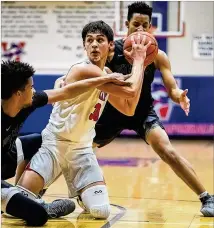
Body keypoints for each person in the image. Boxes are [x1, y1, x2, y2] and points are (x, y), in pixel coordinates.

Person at [16, 20, 151, 219]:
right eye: (89, 40)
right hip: (54, 145)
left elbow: (129, 108)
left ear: (110, 45)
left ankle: (81, 194)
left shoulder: (106, 75)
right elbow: (130, 89)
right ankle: (42, 200)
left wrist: (140, 65)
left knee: (101, 211)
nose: (94, 44)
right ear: (84, 46)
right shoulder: (83, 70)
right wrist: (140, 61)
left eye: (100, 40)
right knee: (19, 204)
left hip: (82, 149)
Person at [92, 2, 213, 217]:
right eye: (135, 24)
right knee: (79, 149)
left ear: (150, 28)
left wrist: (179, 97)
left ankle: (206, 198)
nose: (140, 30)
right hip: (113, 111)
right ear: (126, 24)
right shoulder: (112, 51)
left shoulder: (157, 55)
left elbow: (172, 88)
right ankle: (41, 188)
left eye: (145, 26)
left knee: (166, 149)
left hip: (142, 113)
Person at [1, 60, 130, 225]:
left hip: (5, 157)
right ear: (18, 93)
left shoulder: (30, 100)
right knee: (37, 215)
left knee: (38, 140)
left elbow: (68, 91)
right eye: (30, 87)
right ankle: (36, 203)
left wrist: (105, 78)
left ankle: (21, 193)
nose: (34, 90)